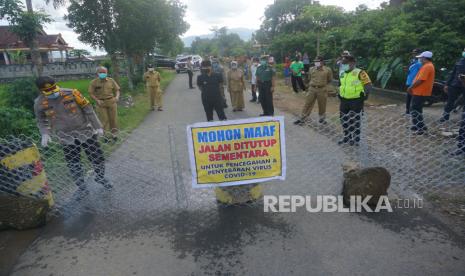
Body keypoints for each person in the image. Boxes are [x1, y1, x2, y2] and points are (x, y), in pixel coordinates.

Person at [34, 76, 111, 198]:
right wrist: (45, 133)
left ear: (56, 84)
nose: (52, 92)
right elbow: (41, 120)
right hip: (65, 137)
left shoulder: (72, 93)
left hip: (85, 132)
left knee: (97, 157)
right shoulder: (39, 103)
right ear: (41, 91)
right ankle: (82, 188)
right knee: (74, 164)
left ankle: (101, 177)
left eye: (54, 88)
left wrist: (98, 126)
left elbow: (88, 108)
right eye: (48, 91)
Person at [338, 55, 372, 146]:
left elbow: (368, 85)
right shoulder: (342, 73)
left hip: (356, 100)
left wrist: (365, 96)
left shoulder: (360, 72)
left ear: (353, 63)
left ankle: (356, 139)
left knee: (354, 120)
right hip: (344, 100)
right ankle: (346, 137)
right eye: (343, 63)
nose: (343, 65)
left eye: (346, 63)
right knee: (343, 119)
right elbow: (340, 84)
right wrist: (339, 93)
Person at [294, 56, 333, 125]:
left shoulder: (327, 70)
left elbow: (329, 79)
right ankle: (303, 118)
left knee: (322, 104)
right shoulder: (311, 69)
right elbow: (309, 78)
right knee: (308, 103)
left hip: (322, 89)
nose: (316, 63)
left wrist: (324, 86)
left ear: (322, 62)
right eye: (315, 61)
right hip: (312, 88)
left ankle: (322, 119)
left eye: (317, 61)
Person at [407, 51, 435, 135]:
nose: (419, 59)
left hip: (421, 92)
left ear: (425, 58)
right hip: (420, 91)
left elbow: (421, 80)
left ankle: (420, 128)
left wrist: (411, 87)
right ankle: (419, 125)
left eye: (420, 58)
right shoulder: (427, 65)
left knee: (415, 109)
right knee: (417, 109)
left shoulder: (427, 67)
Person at [88, 66, 120, 138]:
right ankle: (105, 136)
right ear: (97, 73)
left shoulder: (111, 80)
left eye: (104, 72)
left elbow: (117, 90)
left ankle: (114, 135)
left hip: (111, 101)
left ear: (107, 72)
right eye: (100, 72)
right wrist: (97, 100)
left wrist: (117, 97)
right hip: (101, 103)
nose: (102, 73)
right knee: (104, 120)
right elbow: (91, 93)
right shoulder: (94, 82)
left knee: (113, 119)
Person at [440, 47, 465, 122]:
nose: (464, 52)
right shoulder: (459, 61)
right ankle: (445, 116)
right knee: (450, 101)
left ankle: (463, 119)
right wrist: (447, 84)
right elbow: (453, 73)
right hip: (455, 85)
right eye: (464, 50)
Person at [405, 49, 422, 115]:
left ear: (419, 54)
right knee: (408, 97)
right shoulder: (412, 61)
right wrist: (407, 70)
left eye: (415, 53)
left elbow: (421, 72)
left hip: (415, 82)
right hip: (409, 81)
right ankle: (407, 111)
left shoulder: (420, 62)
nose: (414, 54)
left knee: (414, 98)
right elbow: (410, 71)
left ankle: (413, 111)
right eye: (413, 53)